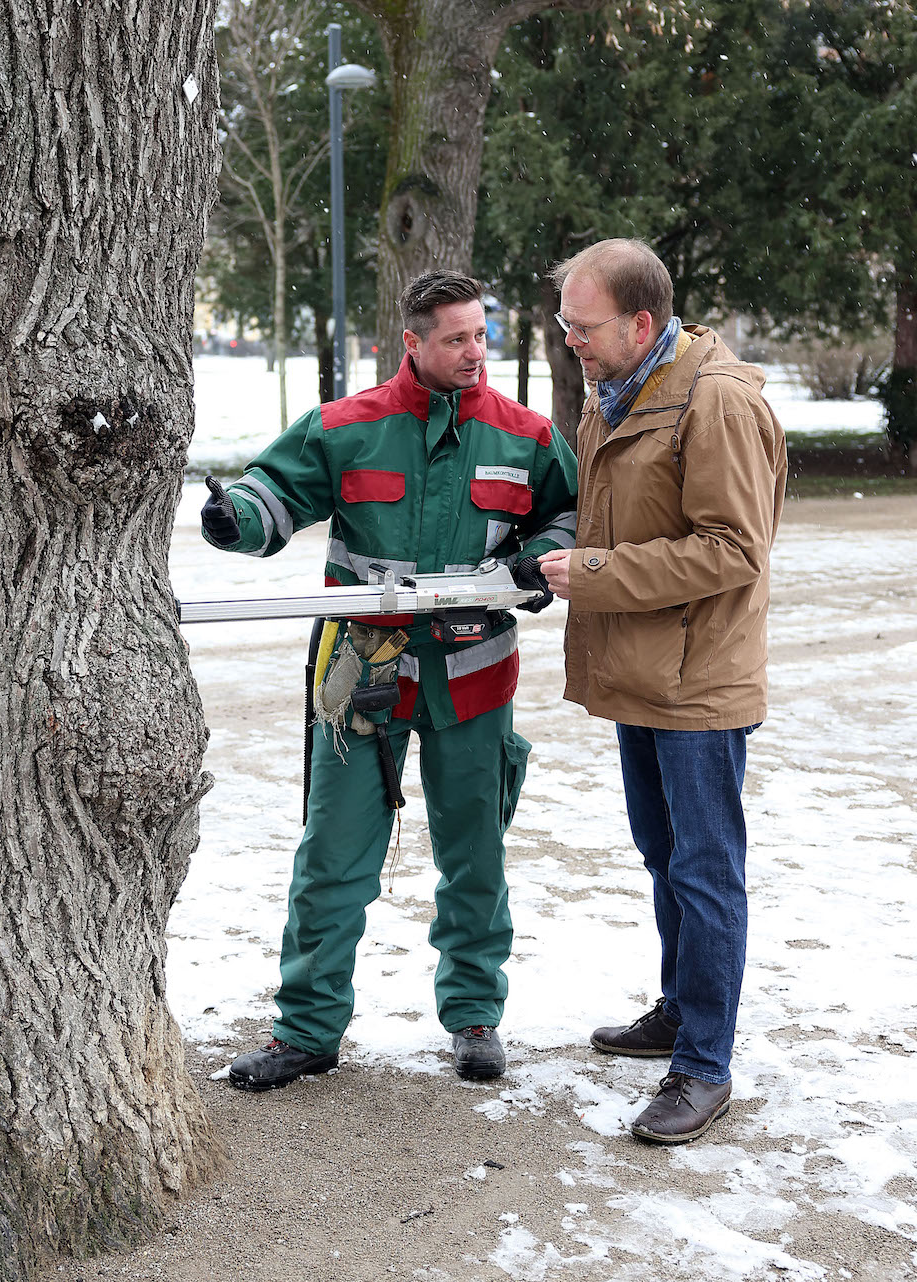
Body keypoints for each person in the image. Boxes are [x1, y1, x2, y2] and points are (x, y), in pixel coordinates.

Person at [201, 271, 578, 1090]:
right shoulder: (346, 427)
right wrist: (239, 517)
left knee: (475, 857)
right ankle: (305, 1030)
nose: (475, 353)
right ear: (410, 342)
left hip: (475, 680)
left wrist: (535, 560)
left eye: (482, 335)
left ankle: (475, 1018)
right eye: (455, 339)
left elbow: (571, 513)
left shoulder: (526, 436)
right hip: (360, 683)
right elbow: (275, 492)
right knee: (333, 860)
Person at [537, 238, 786, 1144]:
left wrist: (596, 571)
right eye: (565, 322)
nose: (570, 338)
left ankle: (704, 1067)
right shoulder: (618, 390)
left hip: (698, 683)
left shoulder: (714, 403)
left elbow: (733, 549)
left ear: (642, 322)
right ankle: (682, 1009)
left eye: (583, 324)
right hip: (642, 673)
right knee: (661, 856)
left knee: (706, 872)